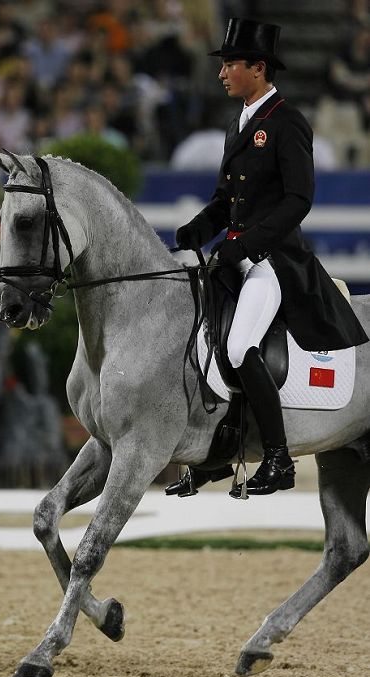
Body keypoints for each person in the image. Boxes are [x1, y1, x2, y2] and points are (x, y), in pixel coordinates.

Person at [166, 18, 369, 499]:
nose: (222, 74)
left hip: (275, 261)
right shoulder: (238, 123)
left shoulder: (287, 122)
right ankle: (219, 451)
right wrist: (198, 228)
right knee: (201, 336)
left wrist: (247, 244)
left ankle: (277, 457)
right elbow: (225, 201)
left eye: (231, 65)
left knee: (238, 347)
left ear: (257, 69)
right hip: (237, 255)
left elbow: (298, 199)